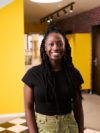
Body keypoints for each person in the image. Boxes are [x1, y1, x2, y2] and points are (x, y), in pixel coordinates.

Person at [22, 25, 84, 133]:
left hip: (69, 126)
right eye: (51, 44)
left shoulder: (73, 73)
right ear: (45, 47)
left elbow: (78, 107)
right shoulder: (32, 75)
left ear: (65, 47)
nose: (55, 48)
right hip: (44, 128)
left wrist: (81, 131)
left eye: (60, 44)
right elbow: (28, 108)